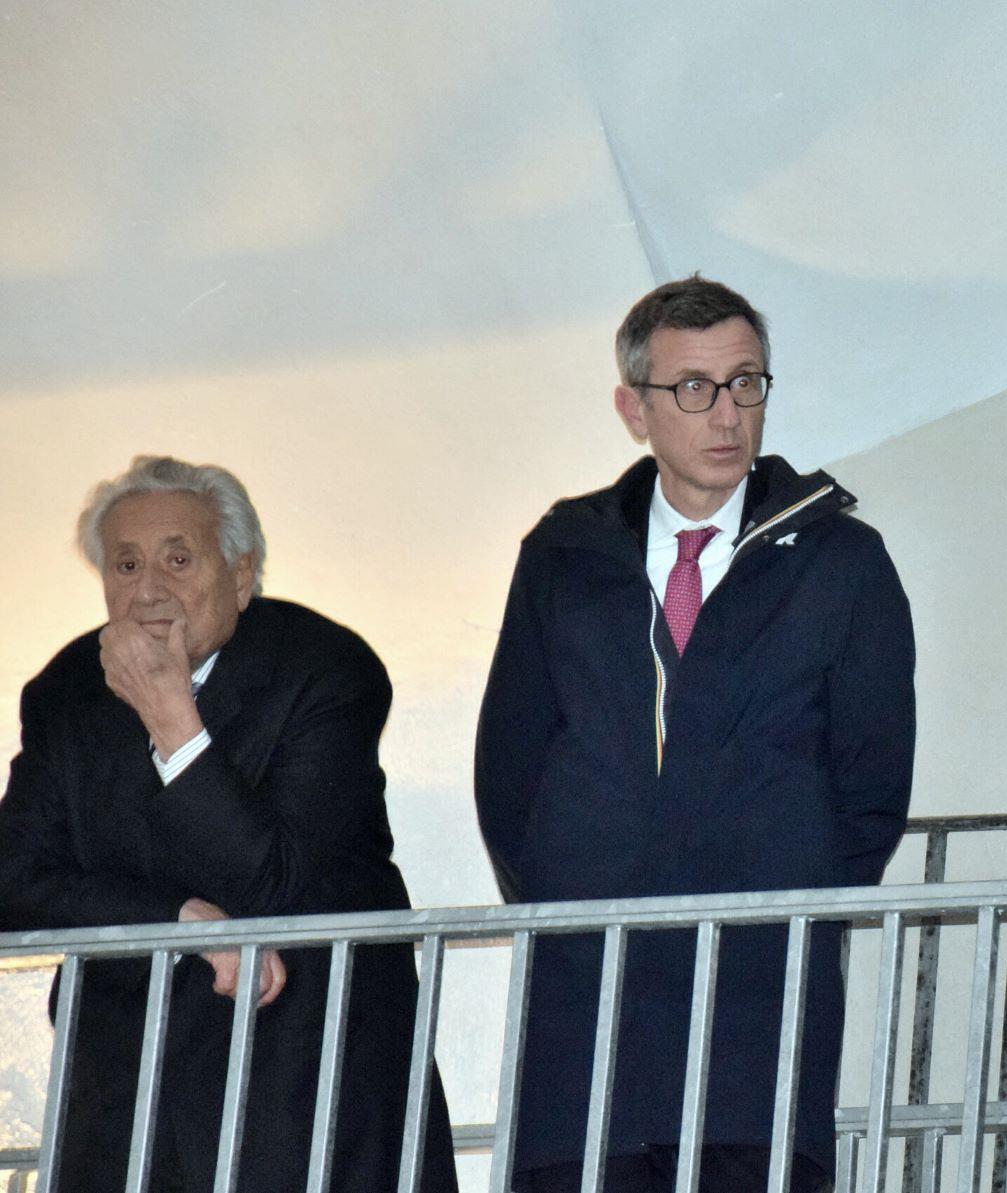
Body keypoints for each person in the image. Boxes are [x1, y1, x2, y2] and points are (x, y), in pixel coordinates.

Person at [475, 275, 916, 1193]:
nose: (726, 414)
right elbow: (509, 770)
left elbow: (871, 785)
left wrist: (782, 891)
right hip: (589, 1005)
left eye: (745, 382)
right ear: (633, 410)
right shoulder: (563, 559)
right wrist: (576, 893)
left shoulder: (841, 563)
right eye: (693, 387)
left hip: (756, 1010)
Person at [0, 456, 457, 1192]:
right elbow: (16, 881)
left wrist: (173, 721)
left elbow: (272, 879)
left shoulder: (326, 670)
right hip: (131, 1095)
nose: (149, 588)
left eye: (178, 559)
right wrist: (176, 919)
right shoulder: (67, 690)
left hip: (305, 1083)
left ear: (241, 575)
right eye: (126, 564)